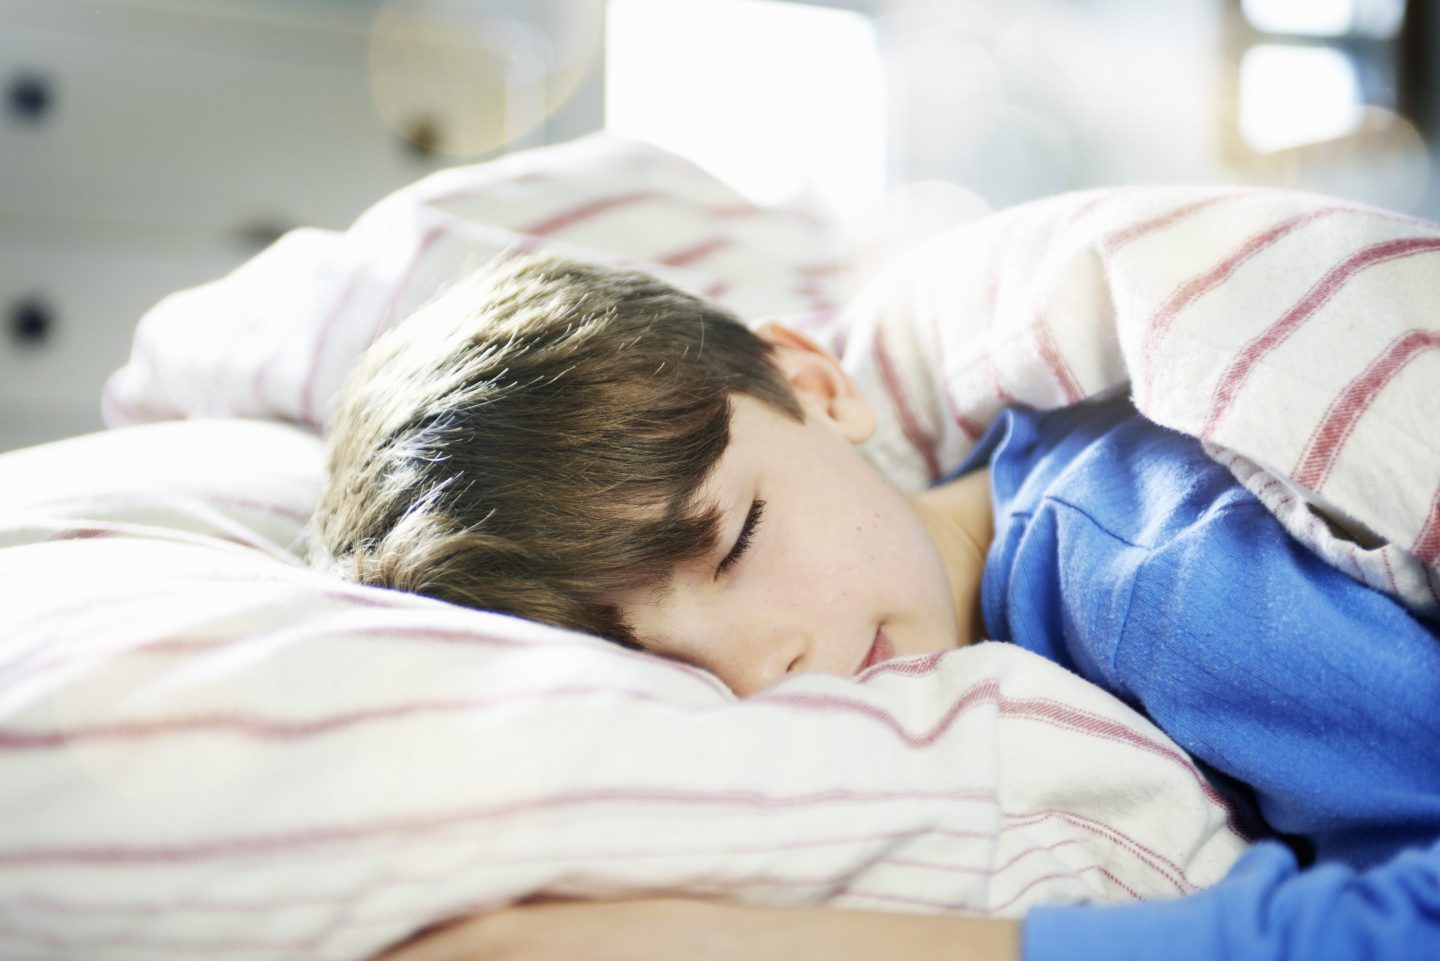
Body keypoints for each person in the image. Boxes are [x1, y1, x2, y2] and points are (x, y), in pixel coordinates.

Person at [308, 253, 1440, 961]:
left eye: (739, 539)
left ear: (814, 383)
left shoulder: (1142, 565)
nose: (767, 669)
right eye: (666, 669)